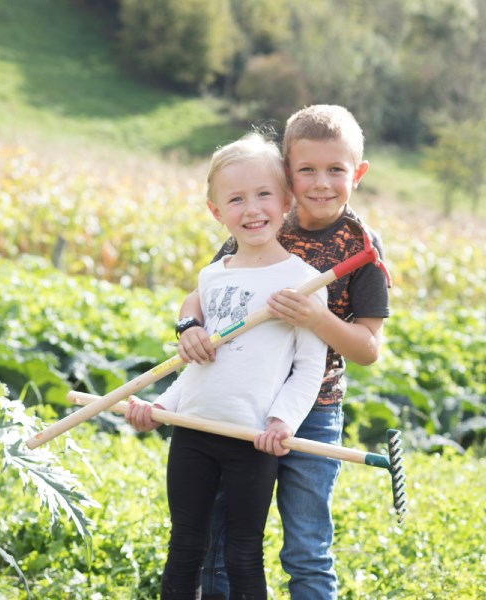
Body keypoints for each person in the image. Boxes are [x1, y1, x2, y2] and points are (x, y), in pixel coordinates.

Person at [176, 105, 391, 599]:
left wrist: (316, 316)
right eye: (307, 170)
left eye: (336, 170)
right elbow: (208, 289)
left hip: (314, 409)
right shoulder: (264, 219)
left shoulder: (361, 246)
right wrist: (189, 323)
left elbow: (368, 349)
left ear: (357, 174)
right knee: (223, 536)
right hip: (242, 403)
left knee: (306, 546)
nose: (321, 183)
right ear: (287, 179)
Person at [125, 132, 328, 599]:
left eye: (263, 195)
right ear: (217, 211)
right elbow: (199, 365)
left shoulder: (302, 282)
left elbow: (308, 368)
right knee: (185, 546)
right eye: (236, 199)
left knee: (241, 553)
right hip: (192, 430)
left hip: (251, 439)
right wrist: (158, 407)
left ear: (286, 201)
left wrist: (282, 421)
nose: (252, 209)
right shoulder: (211, 277)